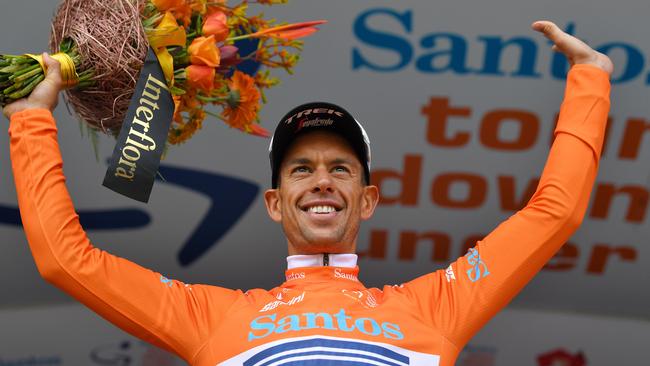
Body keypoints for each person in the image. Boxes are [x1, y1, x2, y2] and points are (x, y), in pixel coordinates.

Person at [4, 21, 612, 366]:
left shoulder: (433, 309)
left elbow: (551, 215)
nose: (322, 179)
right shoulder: (212, 317)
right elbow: (66, 260)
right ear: (274, 202)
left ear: (368, 199)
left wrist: (590, 81)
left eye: (340, 169)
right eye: (300, 170)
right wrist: (31, 119)